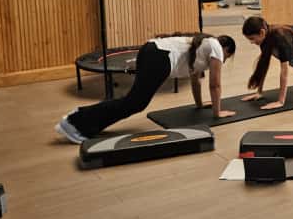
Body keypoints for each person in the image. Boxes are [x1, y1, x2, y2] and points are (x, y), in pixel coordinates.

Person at [55, 32, 236, 144]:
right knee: (135, 103)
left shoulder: (203, 46)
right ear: (226, 49)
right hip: (159, 57)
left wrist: (199, 105)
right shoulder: (216, 47)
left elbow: (196, 81)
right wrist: (217, 113)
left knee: (134, 102)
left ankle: (83, 123)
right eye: (227, 57)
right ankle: (74, 122)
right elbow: (215, 84)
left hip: (151, 49)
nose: (223, 60)